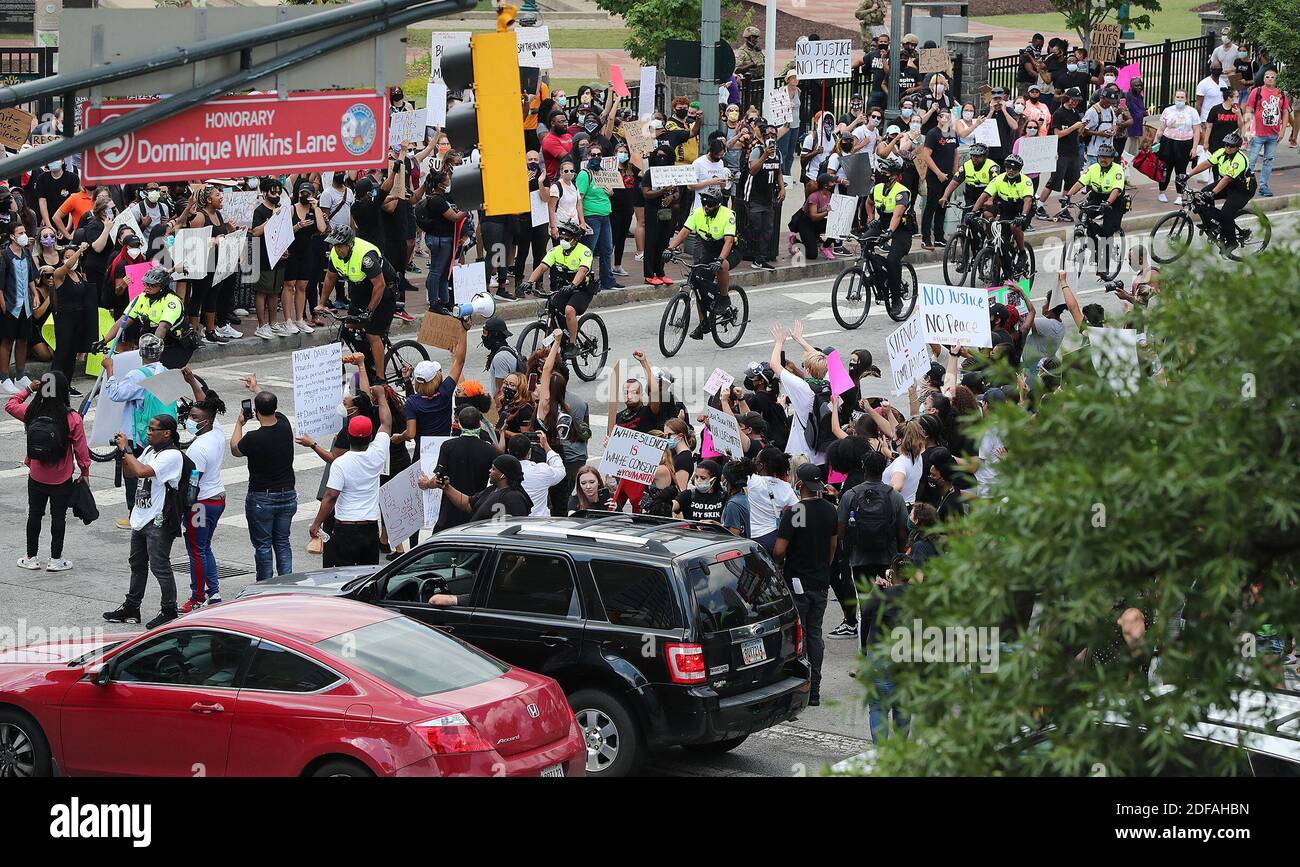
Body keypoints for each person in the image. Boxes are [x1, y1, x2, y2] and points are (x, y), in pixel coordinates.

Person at [104, 414, 185, 628]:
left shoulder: (172, 456)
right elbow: (132, 474)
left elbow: (142, 470)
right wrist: (124, 454)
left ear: (166, 433)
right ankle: (132, 607)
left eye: (152, 429)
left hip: (159, 520)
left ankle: (169, 609)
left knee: (160, 566)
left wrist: (128, 450)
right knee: (137, 565)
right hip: (140, 516)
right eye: (148, 429)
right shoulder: (150, 450)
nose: (148, 432)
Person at [7, 371, 89, 572]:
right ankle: (55, 559)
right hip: (61, 477)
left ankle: (31, 557)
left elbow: (10, 405)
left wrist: (28, 389)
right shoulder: (72, 418)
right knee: (58, 517)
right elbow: (81, 450)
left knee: (34, 515)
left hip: (36, 474)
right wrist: (85, 471)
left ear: (42, 388)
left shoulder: (32, 411)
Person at [773, 462, 838, 706]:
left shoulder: (796, 512)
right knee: (814, 633)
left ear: (799, 484)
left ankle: (800, 684)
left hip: (797, 581)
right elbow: (832, 547)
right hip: (820, 581)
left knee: (796, 635)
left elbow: (780, 550)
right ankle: (816, 689)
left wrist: (780, 563)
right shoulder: (830, 510)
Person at [308, 386, 392, 567]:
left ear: (349, 437)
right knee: (366, 575)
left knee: (342, 576)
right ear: (370, 435)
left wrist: (316, 524)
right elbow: (386, 423)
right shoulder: (377, 454)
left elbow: (330, 497)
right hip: (370, 528)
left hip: (345, 528)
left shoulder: (341, 463)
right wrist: (382, 396)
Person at [230, 381, 297, 582]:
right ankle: (286, 582)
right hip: (287, 494)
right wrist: (257, 389)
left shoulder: (252, 438)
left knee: (263, 545)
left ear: (256, 411)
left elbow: (235, 448)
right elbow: (271, 406)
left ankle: (265, 585)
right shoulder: (285, 425)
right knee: (283, 541)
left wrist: (239, 423)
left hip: (262, 497)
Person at [320, 225, 397, 380]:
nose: (337, 250)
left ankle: (380, 379)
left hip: (384, 291)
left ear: (349, 244)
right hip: (361, 289)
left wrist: (369, 312)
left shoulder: (365, 256)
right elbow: (330, 278)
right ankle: (368, 361)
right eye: (334, 246)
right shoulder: (335, 255)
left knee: (372, 333)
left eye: (340, 246)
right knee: (349, 326)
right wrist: (321, 303)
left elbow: (379, 285)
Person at [178, 371, 226, 611]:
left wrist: (182, 510)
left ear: (204, 421)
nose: (189, 419)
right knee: (205, 548)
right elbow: (204, 402)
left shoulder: (198, 449)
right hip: (217, 499)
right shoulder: (216, 431)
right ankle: (213, 592)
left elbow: (192, 486)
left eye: (194, 417)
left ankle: (197, 597)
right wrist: (191, 381)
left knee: (196, 551)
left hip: (200, 504)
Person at [664, 188, 736, 339]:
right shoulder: (698, 213)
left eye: (710, 205)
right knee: (697, 284)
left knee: (722, 266)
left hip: (729, 250)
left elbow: (729, 241)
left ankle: (723, 297)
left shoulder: (728, 214)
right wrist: (670, 248)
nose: (706, 207)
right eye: (704, 204)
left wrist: (720, 259)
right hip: (710, 250)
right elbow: (684, 232)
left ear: (717, 204)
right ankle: (704, 324)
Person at [838, 449, 909, 593]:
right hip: (887, 558)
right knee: (887, 599)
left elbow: (840, 531)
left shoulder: (850, 495)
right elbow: (902, 533)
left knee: (863, 601)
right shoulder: (894, 496)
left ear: (863, 467)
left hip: (858, 558)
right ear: (883, 469)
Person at [859, 554, 913, 742]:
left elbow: (864, 616)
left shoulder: (881, 595)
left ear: (892, 573)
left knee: (878, 705)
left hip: (881, 655)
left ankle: (880, 752)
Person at [521, 220, 593, 358]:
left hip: (582, 289)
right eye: (561, 238)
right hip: (564, 288)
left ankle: (572, 344)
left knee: (569, 310)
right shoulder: (556, 251)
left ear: (575, 239)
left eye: (567, 239)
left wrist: (573, 285)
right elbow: (542, 266)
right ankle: (562, 336)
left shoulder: (584, 251)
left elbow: (583, 270)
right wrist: (530, 282)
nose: (563, 241)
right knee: (553, 306)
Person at [1182, 131, 1256, 247]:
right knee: (1202, 195)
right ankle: (1212, 224)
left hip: (1242, 190)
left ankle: (1232, 242)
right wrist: (1188, 175)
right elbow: (1207, 163)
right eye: (1226, 144)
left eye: (1231, 146)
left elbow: (1227, 178)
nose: (1227, 147)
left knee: (1226, 214)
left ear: (1237, 148)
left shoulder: (1240, 160)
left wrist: (1213, 193)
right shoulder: (1221, 153)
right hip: (1228, 184)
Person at [863, 157, 916, 317]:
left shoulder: (902, 192)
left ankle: (897, 299)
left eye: (884, 173)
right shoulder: (877, 188)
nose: (881, 174)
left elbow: (898, 215)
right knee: (865, 243)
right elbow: (868, 203)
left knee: (893, 260)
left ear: (893, 175)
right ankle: (881, 275)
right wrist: (871, 218)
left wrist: (889, 233)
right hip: (883, 222)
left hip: (901, 228)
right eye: (880, 172)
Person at [1063, 144, 1126, 274]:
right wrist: (1068, 195)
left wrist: (1108, 202)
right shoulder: (1093, 168)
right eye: (1101, 157)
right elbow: (1081, 183)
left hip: (1114, 200)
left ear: (1112, 158)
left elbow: (1117, 189)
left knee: (1108, 232)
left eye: (1107, 157)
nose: (1104, 159)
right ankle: (1093, 240)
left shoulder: (1118, 169)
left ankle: (1105, 266)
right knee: (1083, 216)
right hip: (1097, 196)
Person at [419, 452, 533, 521]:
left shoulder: (513, 498)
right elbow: (468, 504)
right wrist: (446, 487)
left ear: (503, 474)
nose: (489, 471)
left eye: (493, 469)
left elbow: (510, 531)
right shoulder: (492, 489)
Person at [575, 139, 619, 291]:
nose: (596, 157)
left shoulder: (603, 173)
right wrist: (581, 221)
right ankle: (585, 281)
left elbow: (608, 192)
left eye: (599, 155)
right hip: (591, 217)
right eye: (593, 155)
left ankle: (607, 280)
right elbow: (579, 199)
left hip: (605, 215)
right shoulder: (584, 174)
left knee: (607, 249)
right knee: (589, 250)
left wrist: (611, 192)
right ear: (587, 156)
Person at [0, 223, 38, 394]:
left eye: (25, 231)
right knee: (7, 341)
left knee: (23, 339)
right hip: (10, 304)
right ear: (12, 236)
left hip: (26, 305)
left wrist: (35, 294)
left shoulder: (27, 253)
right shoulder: (5, 256)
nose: (24, 235)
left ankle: (21, 376)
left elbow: (31, 277)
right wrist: (3, 305)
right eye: (20, 232)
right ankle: (4, 378)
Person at [974, 153, 1034, 260]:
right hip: (1007, 210)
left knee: (1014, 226)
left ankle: (1022, 253)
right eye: (1008, 167)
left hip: (1023, 211)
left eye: (1014, 169)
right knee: (1002, 243)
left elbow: (1028, 200)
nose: (1010, 170)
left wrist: (1024, 216)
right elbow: (984, 196)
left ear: (1019, 170)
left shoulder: (1026, 181)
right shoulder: (998, 179)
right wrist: (973, 212)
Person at [1037, 87, 1085, 214]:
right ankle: (1039, 205)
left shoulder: (1075, 113)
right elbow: (1057, 134)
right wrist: (1073, 127)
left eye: (1077, 100)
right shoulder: (1058, 113)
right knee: (1054, 181)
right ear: (1067, 99)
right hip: (1061, 152)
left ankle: (1064, 207)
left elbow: (1078, 134)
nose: (1074, 103)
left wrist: (1082, 127)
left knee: (1071, 181)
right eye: (1073, 100)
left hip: (1073, 152)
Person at [1243, 69, 1288, 197]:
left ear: (1275, 79)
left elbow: (1285, 112)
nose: (1269, 79)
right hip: (1258, 133)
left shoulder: (1281, 94)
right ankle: (1246, 185)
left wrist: (1283, 130)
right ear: (1263, 79)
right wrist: (1248, 126)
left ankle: (1264, 186)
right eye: (1267, 77)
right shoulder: (1256, 91)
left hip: (1273, 134)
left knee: (1268, 160)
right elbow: (1249, 109)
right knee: (1251, 160)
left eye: (1272, 77)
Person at [919, 108, 959, 250]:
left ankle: (939, 236)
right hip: (935, 176)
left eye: (948, 116)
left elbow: (955, 152)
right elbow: (926, 156)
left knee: (943, 205)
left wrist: (955, 171)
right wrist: (938, 173)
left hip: (948, 176)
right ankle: (925, 238)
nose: (945, 118)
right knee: (931, 206)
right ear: (938, 118)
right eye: (942, 116)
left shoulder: (952, 133)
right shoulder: (932, 133)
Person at [1154, 89, 1201, 204]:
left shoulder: (1192, 112)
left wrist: (1194, 148)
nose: (1179, 99)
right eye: (1177, 97)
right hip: (1168, 143)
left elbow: (1196, 131)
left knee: (1181, 170)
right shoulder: (1168, 110)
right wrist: (1156, 141)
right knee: (1165, 168)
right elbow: (1161, 128)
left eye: (1182, 97)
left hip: (1184, 144)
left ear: (1186, 99)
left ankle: (1180, 194)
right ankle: (1162, 192)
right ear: (1174, 98)